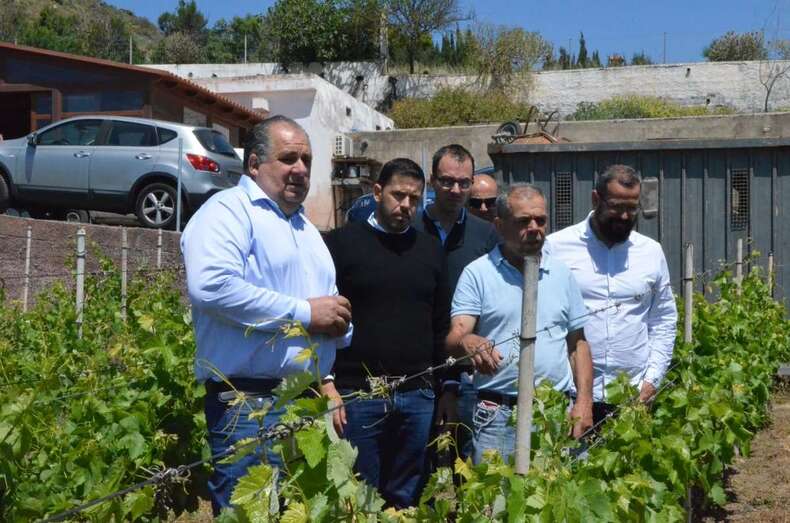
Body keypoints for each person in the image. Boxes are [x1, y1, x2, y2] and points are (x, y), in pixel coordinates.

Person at [181, 115, 352, 515]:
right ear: (255, 164)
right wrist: (306, 313)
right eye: (289, 158)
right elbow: (212, 287)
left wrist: (330, 359)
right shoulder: (227, 211)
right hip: (249, 407)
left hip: (306, 403)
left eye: (307, 160)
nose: (301, 169)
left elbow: (323, 306)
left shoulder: (306, 229)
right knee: (253, 514)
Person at [323, 158, 450, 508]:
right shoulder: (341, 244)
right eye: (398, 195)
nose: (406, 205)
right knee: (358, 495)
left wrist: (444, 388)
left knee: (406, 497)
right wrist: (327, 383)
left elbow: (441, 323)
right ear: (378, 192)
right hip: (358, 394)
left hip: (417, 395)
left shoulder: (430, 250)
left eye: (414, 199)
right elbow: (324, 322)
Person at [446, 184, 594, 464]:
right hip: (498, 416)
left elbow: (578, 344)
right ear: (500, 226)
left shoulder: (561, 274)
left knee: (561, 490)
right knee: (497, 493)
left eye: (541, 220)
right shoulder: (478, 274)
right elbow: (456, 336)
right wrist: (468, 341)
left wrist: (584, 402)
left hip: (556, 413)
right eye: (524, 221)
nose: (535, 228)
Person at [544, 165, 678, 424]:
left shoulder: (650, 252)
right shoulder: (557, 247)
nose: (625, 216)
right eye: (617, 207)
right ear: (596, 199)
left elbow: (663, 319)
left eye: (632, 208)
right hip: (570, 394)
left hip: (632, 394)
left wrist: (652, 380)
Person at [413, 144, 500, 460]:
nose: (455, 190)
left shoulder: (486, 235)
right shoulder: (410, 228)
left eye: (464, 182)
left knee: (467, 465)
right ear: (432, 180)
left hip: (466, 371)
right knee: (419, 463)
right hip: (417, 369)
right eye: (447, 181)